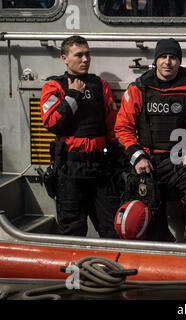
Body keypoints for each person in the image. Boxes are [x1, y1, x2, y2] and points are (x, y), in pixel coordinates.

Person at [115, 38, 186, 244]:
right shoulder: (138, 89)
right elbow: (122, 128)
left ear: (179, 61)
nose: (168, 62)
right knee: (144, 213)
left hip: (185, 164)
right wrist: (138, 158)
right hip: (149, 164)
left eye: (173, 57)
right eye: (163, 57)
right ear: (156, 60)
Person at [40, 35, 122, 238]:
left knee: (111, 229)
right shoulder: (54, 87)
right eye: (79, 55)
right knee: (72, 230)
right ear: (64, 58)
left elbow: (112, 125)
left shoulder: (99, 85)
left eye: (87, 54)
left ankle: (107, 269)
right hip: (70, 170)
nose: (85, 59)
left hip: (100, 168)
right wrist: (72, 95)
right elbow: (53, 123)